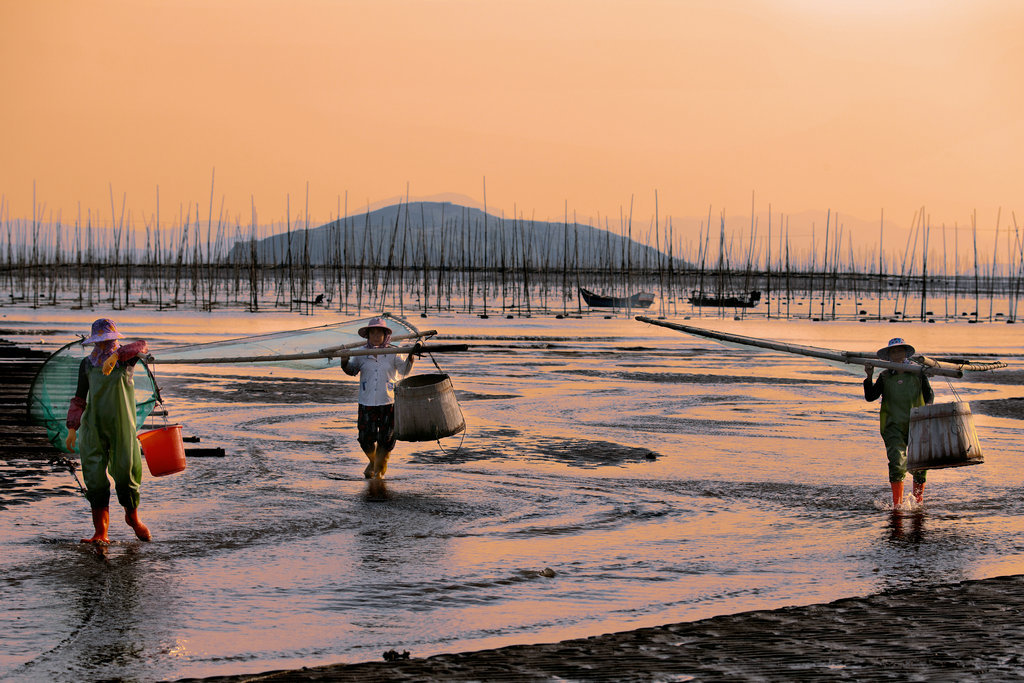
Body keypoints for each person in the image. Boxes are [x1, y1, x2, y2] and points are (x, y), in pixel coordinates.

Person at [65, 318, 152, 543]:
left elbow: (142, 345)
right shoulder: (87, 364)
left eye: (108, 340)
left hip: (121, 424)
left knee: (126, 472)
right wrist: (72, 427)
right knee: (94, 477)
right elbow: (79, 397)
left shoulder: (126, 360)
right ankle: (100, 532)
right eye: (101, 341)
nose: (105, 345)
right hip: (94, 425)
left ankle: (133, 518)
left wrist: (117, 356)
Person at [340, 317, 419, 479]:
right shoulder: (362, 353)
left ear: (385, 336)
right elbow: (352, 370)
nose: (376, 336)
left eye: (379, 333)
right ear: (368, 335)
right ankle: (376, 462)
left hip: (387, 401)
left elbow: (403, 371)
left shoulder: (392, 352)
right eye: (372, 333)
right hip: (366, 401)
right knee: (365, 439)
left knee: (387, 439)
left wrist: (411, 357)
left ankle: (378, 471)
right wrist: (344, 361)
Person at [864, 337, 934, 508]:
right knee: (897, 462)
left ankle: (918, 502)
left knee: (920, 464)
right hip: (892, 424)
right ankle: (898, 506)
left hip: (916, 423)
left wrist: (925, 412)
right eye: (893, 351)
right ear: (889, 356)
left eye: (899, 350)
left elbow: (929, 396)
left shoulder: (917, 373)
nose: (896, 354)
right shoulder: (885, 376)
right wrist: (869, 376)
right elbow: (870, 396)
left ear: (905, 353)